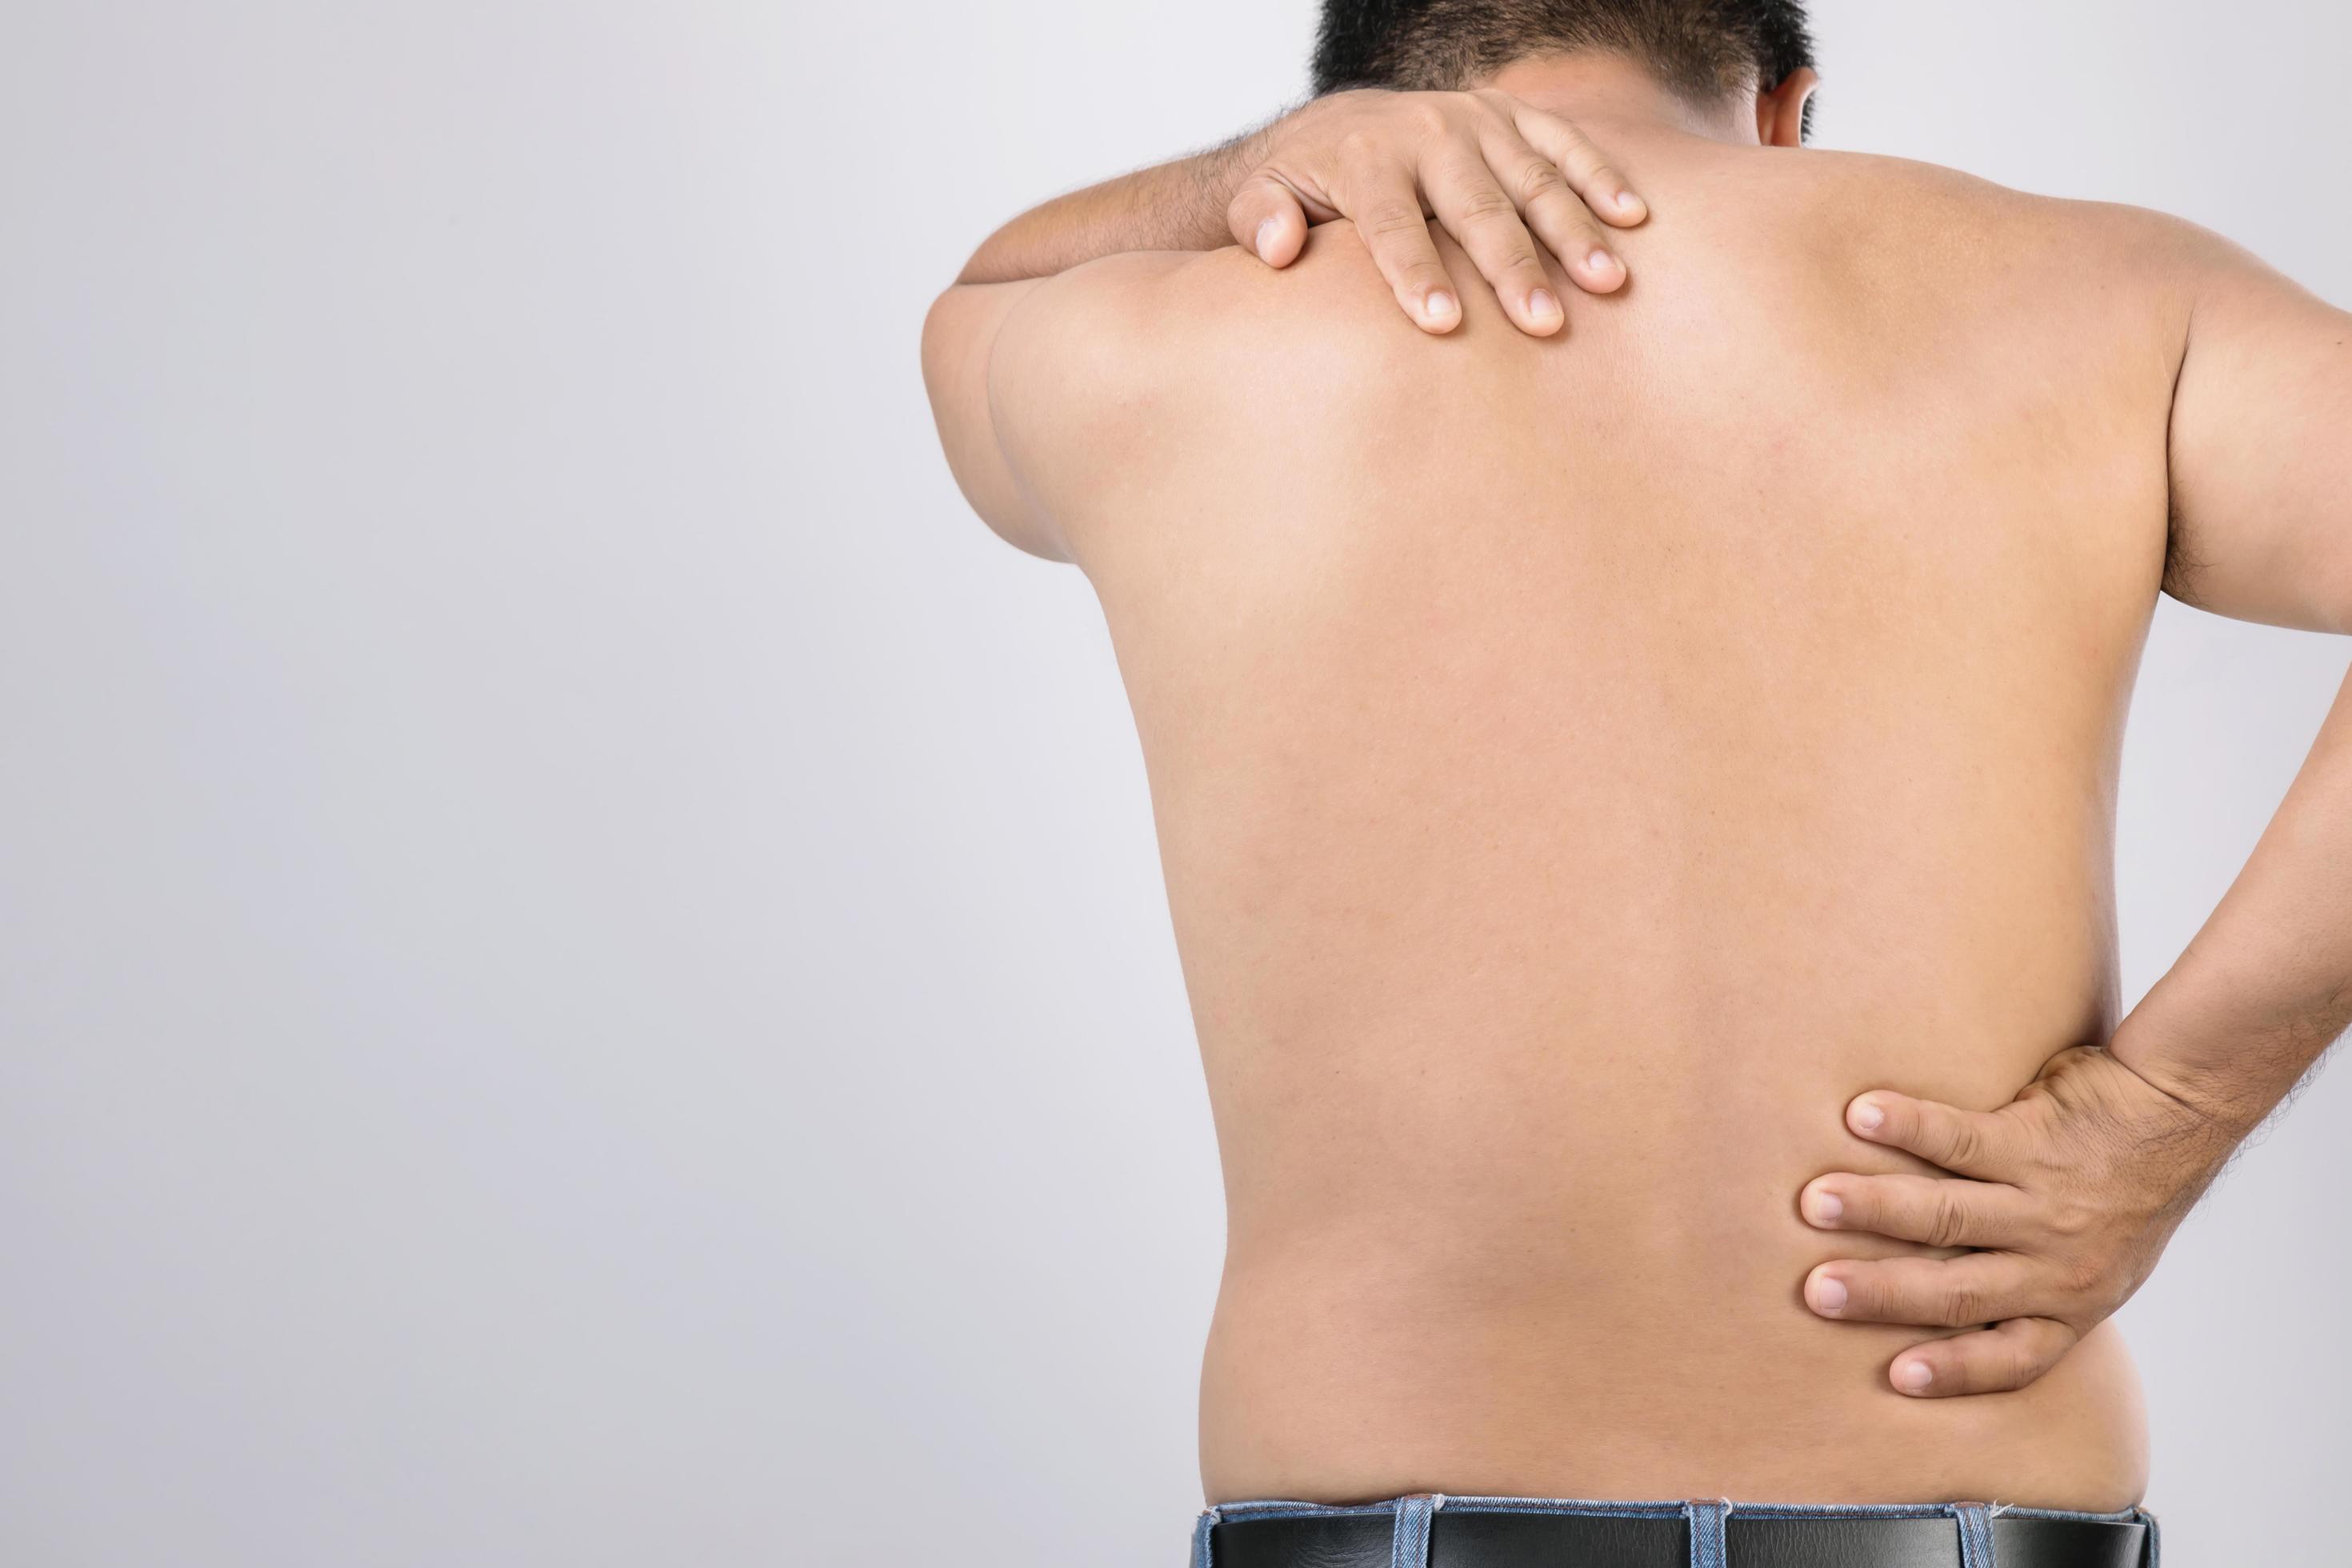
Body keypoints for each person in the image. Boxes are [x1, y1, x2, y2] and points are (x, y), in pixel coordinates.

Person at [919, 2, 2352, 1562]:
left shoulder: (1151, 330)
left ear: (1350, 110)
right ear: (1789, 110)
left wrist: (1239, 182)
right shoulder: (2105, 297)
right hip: (1968, 1510)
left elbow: (974, 299)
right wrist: (2177, 1099)